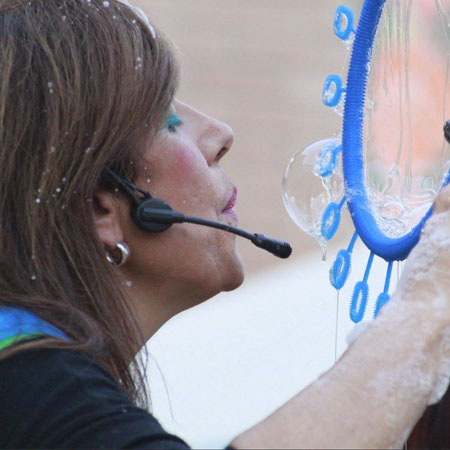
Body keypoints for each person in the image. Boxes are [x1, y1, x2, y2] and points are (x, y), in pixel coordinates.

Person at [0, 0, 450, 448]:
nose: (220, 133)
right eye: (169, 122)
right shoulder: (27, 384)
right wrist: (428, 302)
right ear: (100, 208)